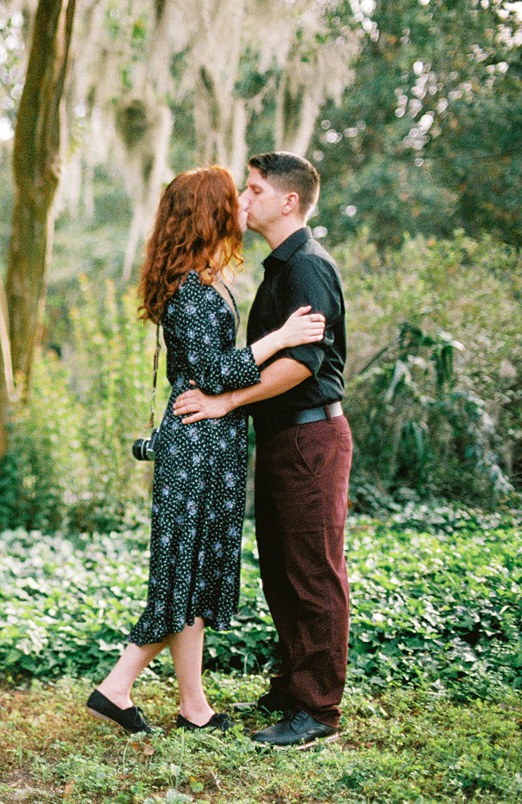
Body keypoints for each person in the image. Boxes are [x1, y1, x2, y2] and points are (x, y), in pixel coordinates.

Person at [86, 165, 326, 734]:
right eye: (235, 196)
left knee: (192, 573)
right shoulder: (191, 290)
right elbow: (214, 375)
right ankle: (116, 687)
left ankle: (193, 706)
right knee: (181, 574)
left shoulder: (206, 276)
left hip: (213, 444)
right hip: (195, 445)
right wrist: (279, 339)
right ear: (211, 212)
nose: (245, 202)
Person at [172, 151, 351, 748]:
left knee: (313, 573)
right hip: (281, 437)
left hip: (310, 435)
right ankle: (290, 687)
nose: (241, 201)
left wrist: (225, 403)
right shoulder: (280, 268)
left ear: (288, 201)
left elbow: (303, 364)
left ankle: (317, 711)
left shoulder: (307, 269)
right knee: (281, 570)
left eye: (252, 191)